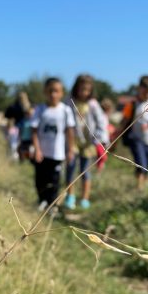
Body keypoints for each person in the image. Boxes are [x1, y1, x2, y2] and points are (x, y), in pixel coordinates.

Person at [64, 74, 109, 209]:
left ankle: (85, 198)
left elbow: (102, 122)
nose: (84, 92)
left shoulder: (93, 104)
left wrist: (102, 138)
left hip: (89, 143)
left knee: (85, 171)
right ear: (76, 88)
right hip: (72, 141)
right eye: (81, 89)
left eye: (87, 90)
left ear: (91, 90)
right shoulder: (69, 102)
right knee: (70, 169)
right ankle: (70, 196)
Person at [31, 77, 75, 213]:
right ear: (45, 92)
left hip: (57, 153)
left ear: (61, 93)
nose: (53, 94)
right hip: (42, 153)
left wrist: (70, 150)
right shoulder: (40, 109)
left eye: (56, 91)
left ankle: (52, 205)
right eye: (50, 91)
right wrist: (37, 149)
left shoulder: (66, 110)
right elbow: (34, 131)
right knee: (40, 179)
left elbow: (69, 131)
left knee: (55, 181)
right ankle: (42, 200)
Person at [120, 76, 148, 190]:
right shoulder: (132, 105)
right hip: (136, 139)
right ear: (139, 89)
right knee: (140, 163)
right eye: (145, 92)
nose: (147, 95)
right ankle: (139, 187)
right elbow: (124, 121)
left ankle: (143, 183)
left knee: (147, 165)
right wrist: (116, 136)